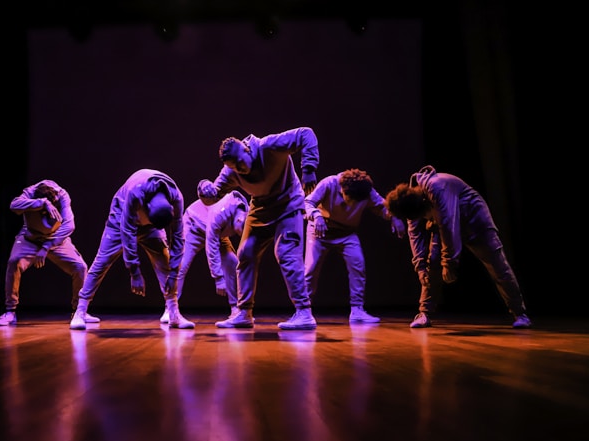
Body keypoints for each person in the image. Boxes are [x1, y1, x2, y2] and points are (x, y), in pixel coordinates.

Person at [197, 127, 320, 330]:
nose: (239, 169)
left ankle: (304, 313)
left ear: (246, 149)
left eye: (240, 163)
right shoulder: (231, 171)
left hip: (288, 204)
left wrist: (309, 169)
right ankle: (244, 313)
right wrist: (204, 189)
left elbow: (305, 134)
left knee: (287, 253)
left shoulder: (268, 146)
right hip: (261, 209)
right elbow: (213, 196)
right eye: (234, 167)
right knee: (245, 253)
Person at [384, 165, 531, 329]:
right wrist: (420, 267)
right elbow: (415, 234)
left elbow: (448, 224)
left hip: (474, 220)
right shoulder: (410, 201)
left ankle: (520, 314)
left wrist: (449, 263)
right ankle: (424, 313)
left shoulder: (436, 187)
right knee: (432, 264)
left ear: (423, 204)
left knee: (497, 266)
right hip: (442, 223)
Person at [70, 169, 194, 330]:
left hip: (151, 227)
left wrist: (173, 274)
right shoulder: (135, 193)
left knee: (165, 262)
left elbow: (178, 237)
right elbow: (127, 230)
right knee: (102, 262)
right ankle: (80, 311)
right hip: (120, 219)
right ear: (146, 207)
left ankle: (173, 313)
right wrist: (134, 271)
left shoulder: (176, 198)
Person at [303, 168, 407, 323]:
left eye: (356, 202)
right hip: (320, 231)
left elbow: (382, 206)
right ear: (343, 189)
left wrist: (394, 217)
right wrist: (316, 215)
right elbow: (308, 202)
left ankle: (357, 310)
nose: (351, 203)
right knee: (310, 269)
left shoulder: (366, 191)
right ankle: (303, 310)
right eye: (349, 198)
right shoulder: (329, 183)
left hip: (346, 233)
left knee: (358, 266)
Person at [0, 179, 96, 326]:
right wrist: (41, 203)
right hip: (30, 237)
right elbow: (14, 205)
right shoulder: (30, 192)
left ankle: (80, 311)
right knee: (14, 262)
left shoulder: (62, 196)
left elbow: (69, 225)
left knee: (80, 267)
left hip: (55, 239)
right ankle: (10, 311)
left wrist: (46, 246)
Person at [159, 189, 248, 324]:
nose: (238, 234)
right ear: (239, 220)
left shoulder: (246, 213)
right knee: (180, 265)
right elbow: (211, 247)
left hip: (217, 233)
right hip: (194, 226)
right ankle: (169, 309)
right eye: (238, 231)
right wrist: (218, 278)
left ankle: (236, 308)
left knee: (232, 262)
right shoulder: (219, 214)